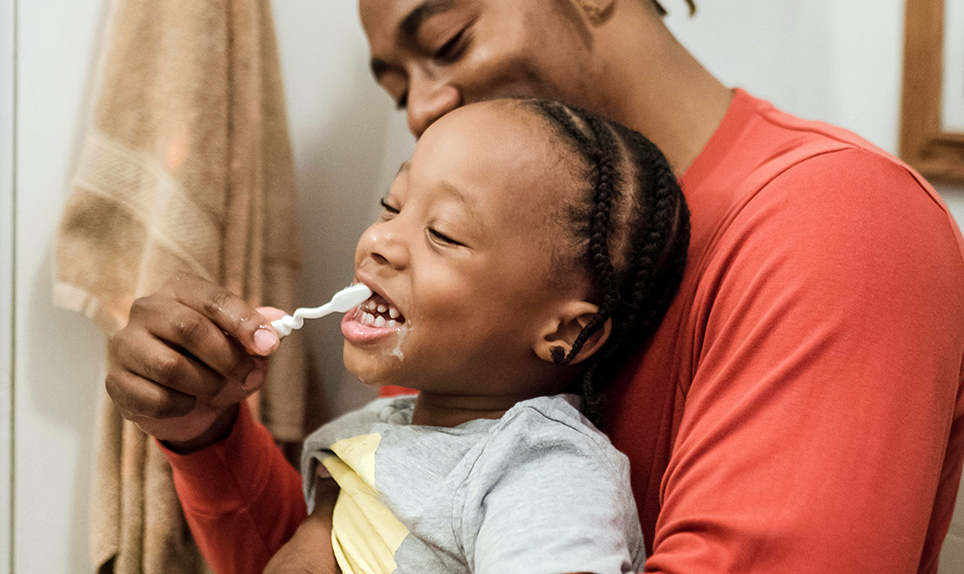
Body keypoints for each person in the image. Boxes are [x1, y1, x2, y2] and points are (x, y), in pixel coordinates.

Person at [105, 0, 964, 574]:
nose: (423, 109)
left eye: (445, 43)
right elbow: (357, 551)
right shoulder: (492, 267)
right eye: (398, 86)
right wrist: (205, 431)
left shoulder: (834, 223)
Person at [291, 98, 688, 573]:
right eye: (391, 207)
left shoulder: (543, 471)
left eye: (443, 233)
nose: (379, 241)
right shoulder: (374, 426)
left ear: (563, 331)